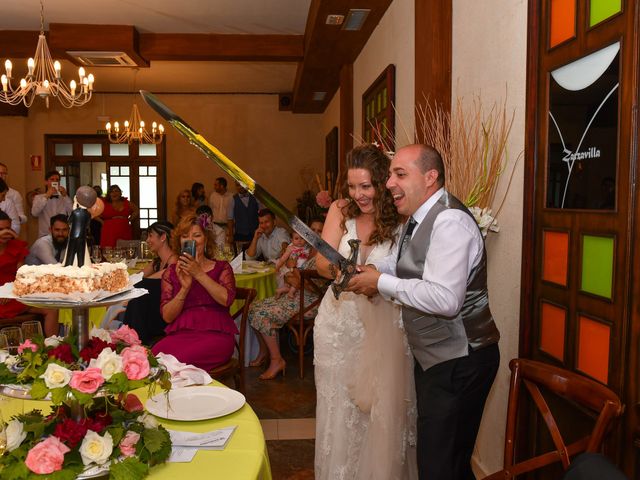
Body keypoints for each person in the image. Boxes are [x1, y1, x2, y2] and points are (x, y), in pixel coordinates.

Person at [347, 144, 501, 480]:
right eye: (390, 175)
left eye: (400, 174)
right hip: (438, 359)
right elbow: (406, 263)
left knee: (440, 465)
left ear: (430, 177)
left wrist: (381, 282)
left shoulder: (450, 222)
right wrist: (371, 269)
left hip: (462, 359)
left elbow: (445, 299)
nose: (389, 183)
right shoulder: (416, 219)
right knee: (446, 462)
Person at [313, 144, 416, 479]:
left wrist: (378, 278)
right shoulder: (340, 210)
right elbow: (321, 262)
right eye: (353, 186)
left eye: (366, 186)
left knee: (379, 404)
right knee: (339, 408)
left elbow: (408, 269)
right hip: (338, 323)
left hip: (381, 322)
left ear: (383, 182)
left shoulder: (400, 215)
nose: (358, 194)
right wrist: (345, 273)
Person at [151, 213, 238, 371]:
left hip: (215, 336)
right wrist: (184, 289)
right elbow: (167, 316)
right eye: (185, 236)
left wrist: (198, 273)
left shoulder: (222, 267)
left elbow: (226, 299)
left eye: (196, 235)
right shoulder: (171, 273)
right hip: (182, 334)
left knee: (175, 364)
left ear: (206, 239)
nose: (191, 240)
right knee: (155, 358)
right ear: (180, 241)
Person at [248, 218, 326, 380]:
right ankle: (265, 351)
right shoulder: (304, 247)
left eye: (320, 230)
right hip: (295, 294)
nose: (316, 233)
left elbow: (315, 286)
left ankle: (277, 361)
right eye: (313, 229)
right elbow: (292, 276)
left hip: (311, 301)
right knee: (252, 307)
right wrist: (293, 277)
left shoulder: (325, 256)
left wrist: (293, 274)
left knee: (263, 314)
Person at [0, 211, 58, 336]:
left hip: (14, 292)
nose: (5, 232)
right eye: (1, 229)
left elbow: (21, 274)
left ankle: (52, 347)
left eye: (8, 228)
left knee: (52, 308)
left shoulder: (16, 246)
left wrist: (10, 290)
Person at [124, 221, 177, 345]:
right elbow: (137, 277)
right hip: (150, 309)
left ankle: (133, 341)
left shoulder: (174, 261)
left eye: (150, 236)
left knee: (138, 292)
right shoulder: (157, 262)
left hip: (162, 314)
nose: (147, 240)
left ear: (163, 237)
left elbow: (144, 282)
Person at [31, 170, 72, 238]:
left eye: (57, 180)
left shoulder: (64, 198)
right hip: (45, 235)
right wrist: (46, 196)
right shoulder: (39, 197)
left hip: (61, 235)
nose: (55, 181)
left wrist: (65, 196)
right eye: (52, 179)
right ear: (46, 182)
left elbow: (71, 213)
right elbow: (34, 213)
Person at [274, 232, 311, 299]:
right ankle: (291, 292)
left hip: (299, 269)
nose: (299, 240)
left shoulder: (306, 248)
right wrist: (277, 267)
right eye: (296, 238)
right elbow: (283, 259)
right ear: (292, 240)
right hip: (290, 269)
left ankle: (280, 290)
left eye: (302, 238)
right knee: (296, 282)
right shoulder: (291, 248)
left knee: (290, 284)